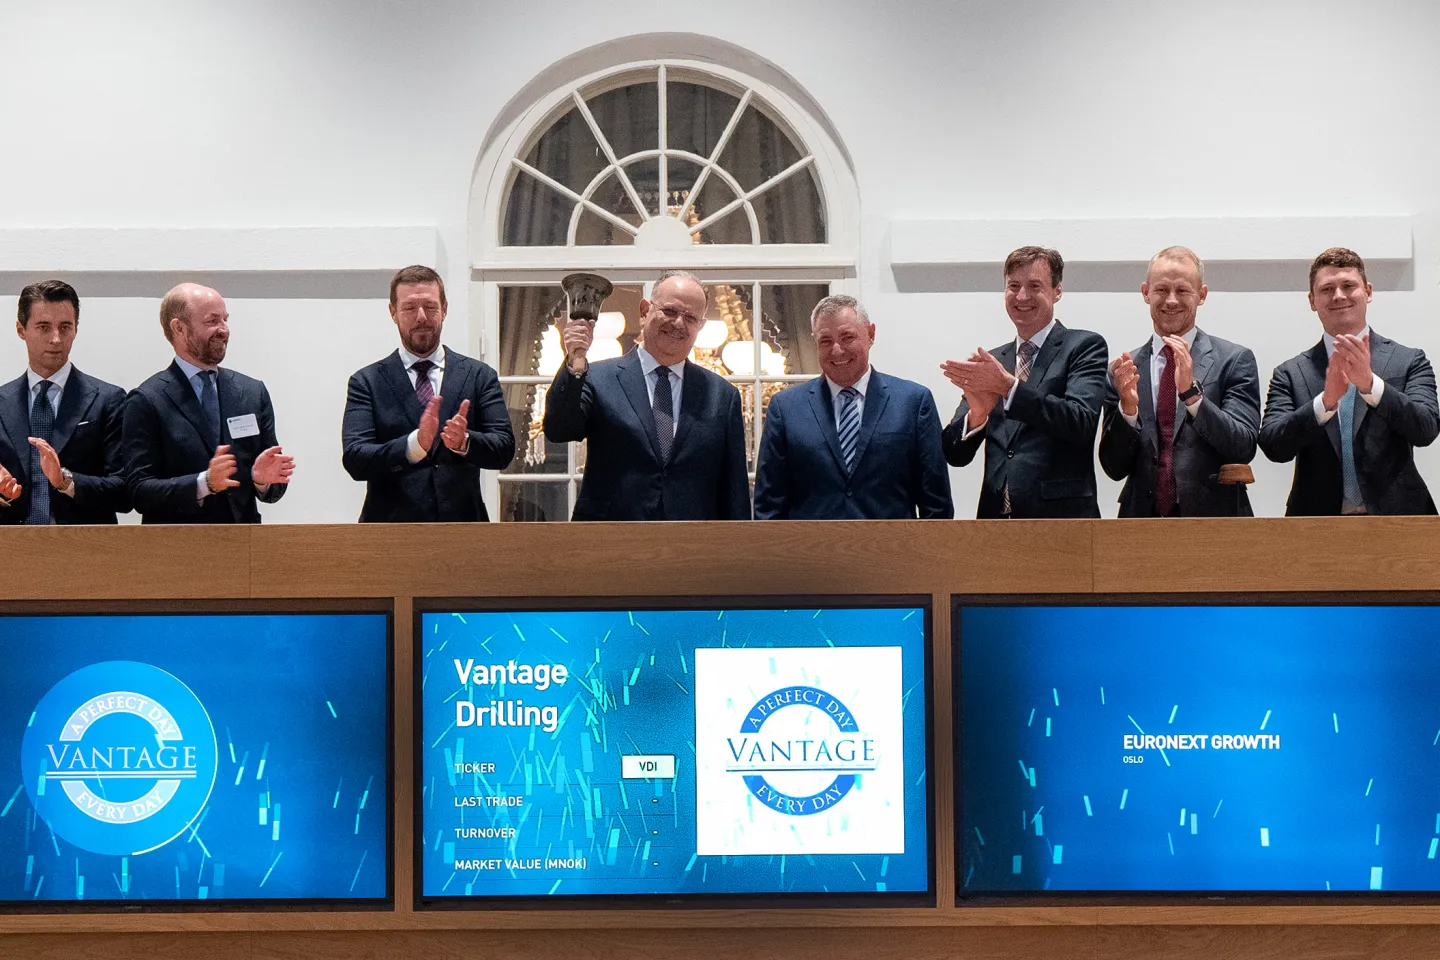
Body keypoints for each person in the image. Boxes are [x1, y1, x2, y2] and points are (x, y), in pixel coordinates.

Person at [543, 270, 749, 520]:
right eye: (670, 311)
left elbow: (734, 489)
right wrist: (574, 363)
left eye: (691, 317)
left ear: (700, 325)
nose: (678, 324)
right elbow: (559, 430)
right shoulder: (598, 378)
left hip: (693, 545)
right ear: (644, 311)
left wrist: (737, 552)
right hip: (611, 541)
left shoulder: (722, 396)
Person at [1258, 247, 1439, 515]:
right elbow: (1273, 446)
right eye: (1327, 289)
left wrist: (1370, 386)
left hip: (1401, 521)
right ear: (1312, 300)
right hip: (1315, 524)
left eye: (1348, 286)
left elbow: (1425, 430)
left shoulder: (1410, 360)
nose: (1339, 295)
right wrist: (1325, 402)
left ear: (1367, 291)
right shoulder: (1290, 373)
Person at [939, 246, 1108, 518]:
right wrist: (977, 416)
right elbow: (954, 455)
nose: (1022, 296)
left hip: (1063, 522)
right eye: (1013, 285)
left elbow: (1081, 422)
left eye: (1034, 286)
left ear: (1057, 291)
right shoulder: (993, 361)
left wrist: (1010, 388)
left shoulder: (1084, 346)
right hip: (996, 522)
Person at [753, 295, 951, 519]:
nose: (837, 350)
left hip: (890, 551)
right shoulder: (785, 408)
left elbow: (936, 505)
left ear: (871, 334)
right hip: (808, 552)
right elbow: (768, 505)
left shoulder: (913, 402)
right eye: (825, 341)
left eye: (847, 337)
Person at [342, 265, 514, 521]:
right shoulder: (366, 381)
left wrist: (464, 441)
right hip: (389, 535)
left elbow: (504, 449)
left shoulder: (479, 375)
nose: (421, 316)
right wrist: (414, 445)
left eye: (430, 307)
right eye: (410, 308)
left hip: (463, 532)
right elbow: (356, 459)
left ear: (444, 309)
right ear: (393, 312)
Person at [1099, 247, 1261, 516]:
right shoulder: (1122, 371)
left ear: (1202, 295)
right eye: (1161, 290)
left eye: (1183, 290)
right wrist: (1127, 411)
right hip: (1140, 524)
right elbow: (1113, 468)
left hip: (1215, 523)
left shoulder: (1234, 360)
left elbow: (1243, 446)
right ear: (1145, 293)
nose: (1171, 300)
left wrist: (1192, 396)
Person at [123, 283, 293, 523]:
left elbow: (272, 488)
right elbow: (139, 492)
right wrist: (204, 484)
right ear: (179, 328)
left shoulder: (253, 392)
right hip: (177, 549)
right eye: (212, 321)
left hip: (245, 546)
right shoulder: (147, 400)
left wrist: (262, 480)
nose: (224, 330)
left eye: (225, 319)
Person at [0, 280, 129, 523]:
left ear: (76, 329)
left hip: (85, 549)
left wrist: (65, 481)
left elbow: (125, 492)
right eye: (44, 327)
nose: (56, 339)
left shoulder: (108, 400)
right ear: (20, 329)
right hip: (12, 549)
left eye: (65, 327)